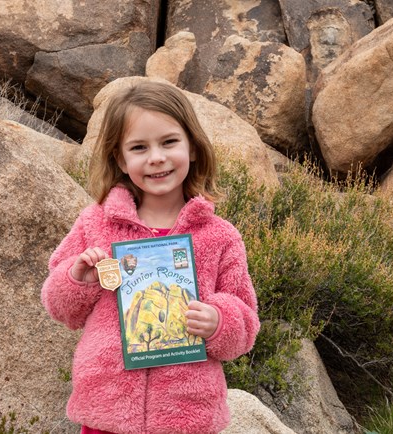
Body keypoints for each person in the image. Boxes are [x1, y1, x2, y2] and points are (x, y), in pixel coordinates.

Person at [41, 80, 260, 434]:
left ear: (192, 147)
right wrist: (76, 278)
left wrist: (219, 320)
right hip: (107, 413)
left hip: (187, 417)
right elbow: (60, 308)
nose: (156, 157)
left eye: (169, 142)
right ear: (120, 159)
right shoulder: (96, 223)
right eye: (139, 147)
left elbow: (246, 324)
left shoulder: (219, 236)